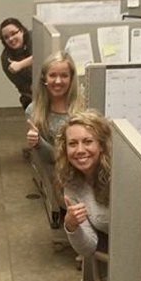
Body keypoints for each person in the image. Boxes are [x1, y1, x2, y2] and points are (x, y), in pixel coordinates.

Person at [55, 110, 111, 257]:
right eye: (73, 144)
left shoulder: (120, 177)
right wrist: (72, 226)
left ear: (101, 146)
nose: (80, 150)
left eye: (88, 142)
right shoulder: (72, 184)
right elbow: (88, 248)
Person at [26, 51, 84, 164]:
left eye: (64, 76)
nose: (58, 81)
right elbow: (50, 159)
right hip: (55, 174)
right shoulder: (34, 111)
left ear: (71, 79)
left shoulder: (85, 107)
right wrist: (38, 142)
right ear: (44, 78)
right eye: (52, 75)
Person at [0, 17, 33, 110]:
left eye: (13, 33)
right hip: (31, 94)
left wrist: (21, 64)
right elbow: (25, 86)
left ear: (21, 31)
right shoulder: (6, 58)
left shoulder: (34, 37)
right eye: (6, 37)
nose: (10, 39)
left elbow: (45, 56)